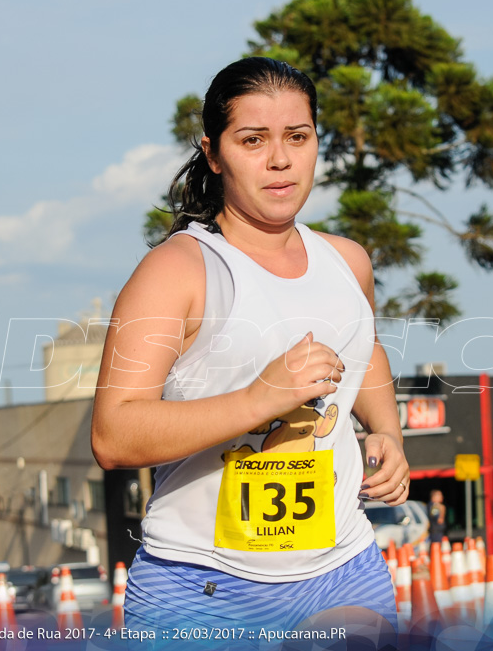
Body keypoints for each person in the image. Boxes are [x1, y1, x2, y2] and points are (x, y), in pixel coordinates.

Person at [91, 57, 409, 643]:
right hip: (203, 588)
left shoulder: (349, 261)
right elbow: (113, 435)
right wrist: (260, 398)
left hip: (343, 572)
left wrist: (386, 430)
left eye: (298, 136)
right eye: (253, 140)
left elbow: (364, 350)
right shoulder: (177, 270)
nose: (280, 159)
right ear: (214, 154)